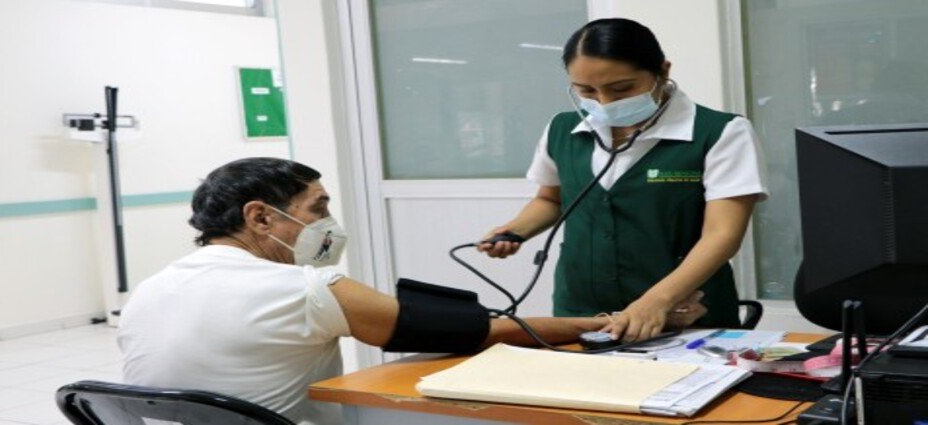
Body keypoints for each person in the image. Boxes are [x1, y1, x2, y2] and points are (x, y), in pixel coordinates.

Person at [118, 158, 707, 425]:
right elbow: (482, 331)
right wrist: (606, 320)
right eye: (317, 209)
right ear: (262, 218)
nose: (328, 222)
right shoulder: (303, 286)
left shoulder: (148, 289)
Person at [479, 18, 768, 344]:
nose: (605, 102)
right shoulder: (563, 129)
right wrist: (516, 230)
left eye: (622, 89)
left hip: (684, 312)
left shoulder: (720, 133)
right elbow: (551, 199)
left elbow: (722, 235)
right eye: (587, 90)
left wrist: (656, 301)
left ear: (663, 70)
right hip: (579, 310)